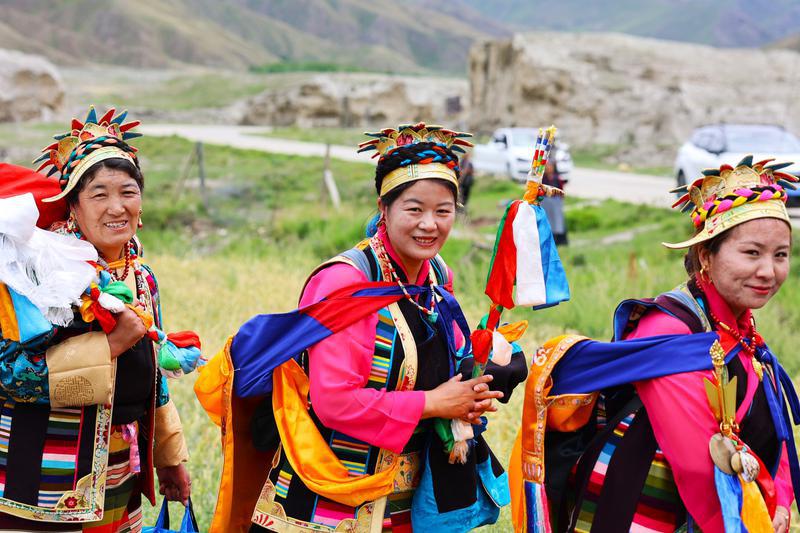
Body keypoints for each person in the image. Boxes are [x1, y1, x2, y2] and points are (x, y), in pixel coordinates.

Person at [197, 123, 529, 533]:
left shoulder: (436, 277)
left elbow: (443, 363)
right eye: (414, 209)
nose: (430, 224)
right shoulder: (346, 282)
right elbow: (333, 401)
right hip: (329, 495)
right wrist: (434, 403)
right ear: (383, 208)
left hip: (407, 496)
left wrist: (473, 388)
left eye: (443, 212)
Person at [511, 156, 799, 532]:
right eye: (752, 253)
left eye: (781, 255)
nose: (768, 271)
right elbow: (697, 460)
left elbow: (775, 426)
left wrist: (780, 499)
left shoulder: (738, 329)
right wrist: (754, 518)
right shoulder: (668, 332)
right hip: (644, 503)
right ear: (705, 255)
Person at [0, 107, 192, 532]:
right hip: (41, 480)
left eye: (128, 192)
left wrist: (169, 457)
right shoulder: (35, 275)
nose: (116, 207)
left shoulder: (140, 276)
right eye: (99, 195)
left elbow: (153, 377)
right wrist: (111, 345)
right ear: (73, 205)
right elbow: (8, 374)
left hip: (119, 471)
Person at [540, 159, 567, 245]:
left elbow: (561, 192)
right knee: (547, 221)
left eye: (550, 166)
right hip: (545, 204)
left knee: (557, 221)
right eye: (547, 166)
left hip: (556, 204)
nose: (549, 168)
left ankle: (558, 239)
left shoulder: (557, 178)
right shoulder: (542, 179)